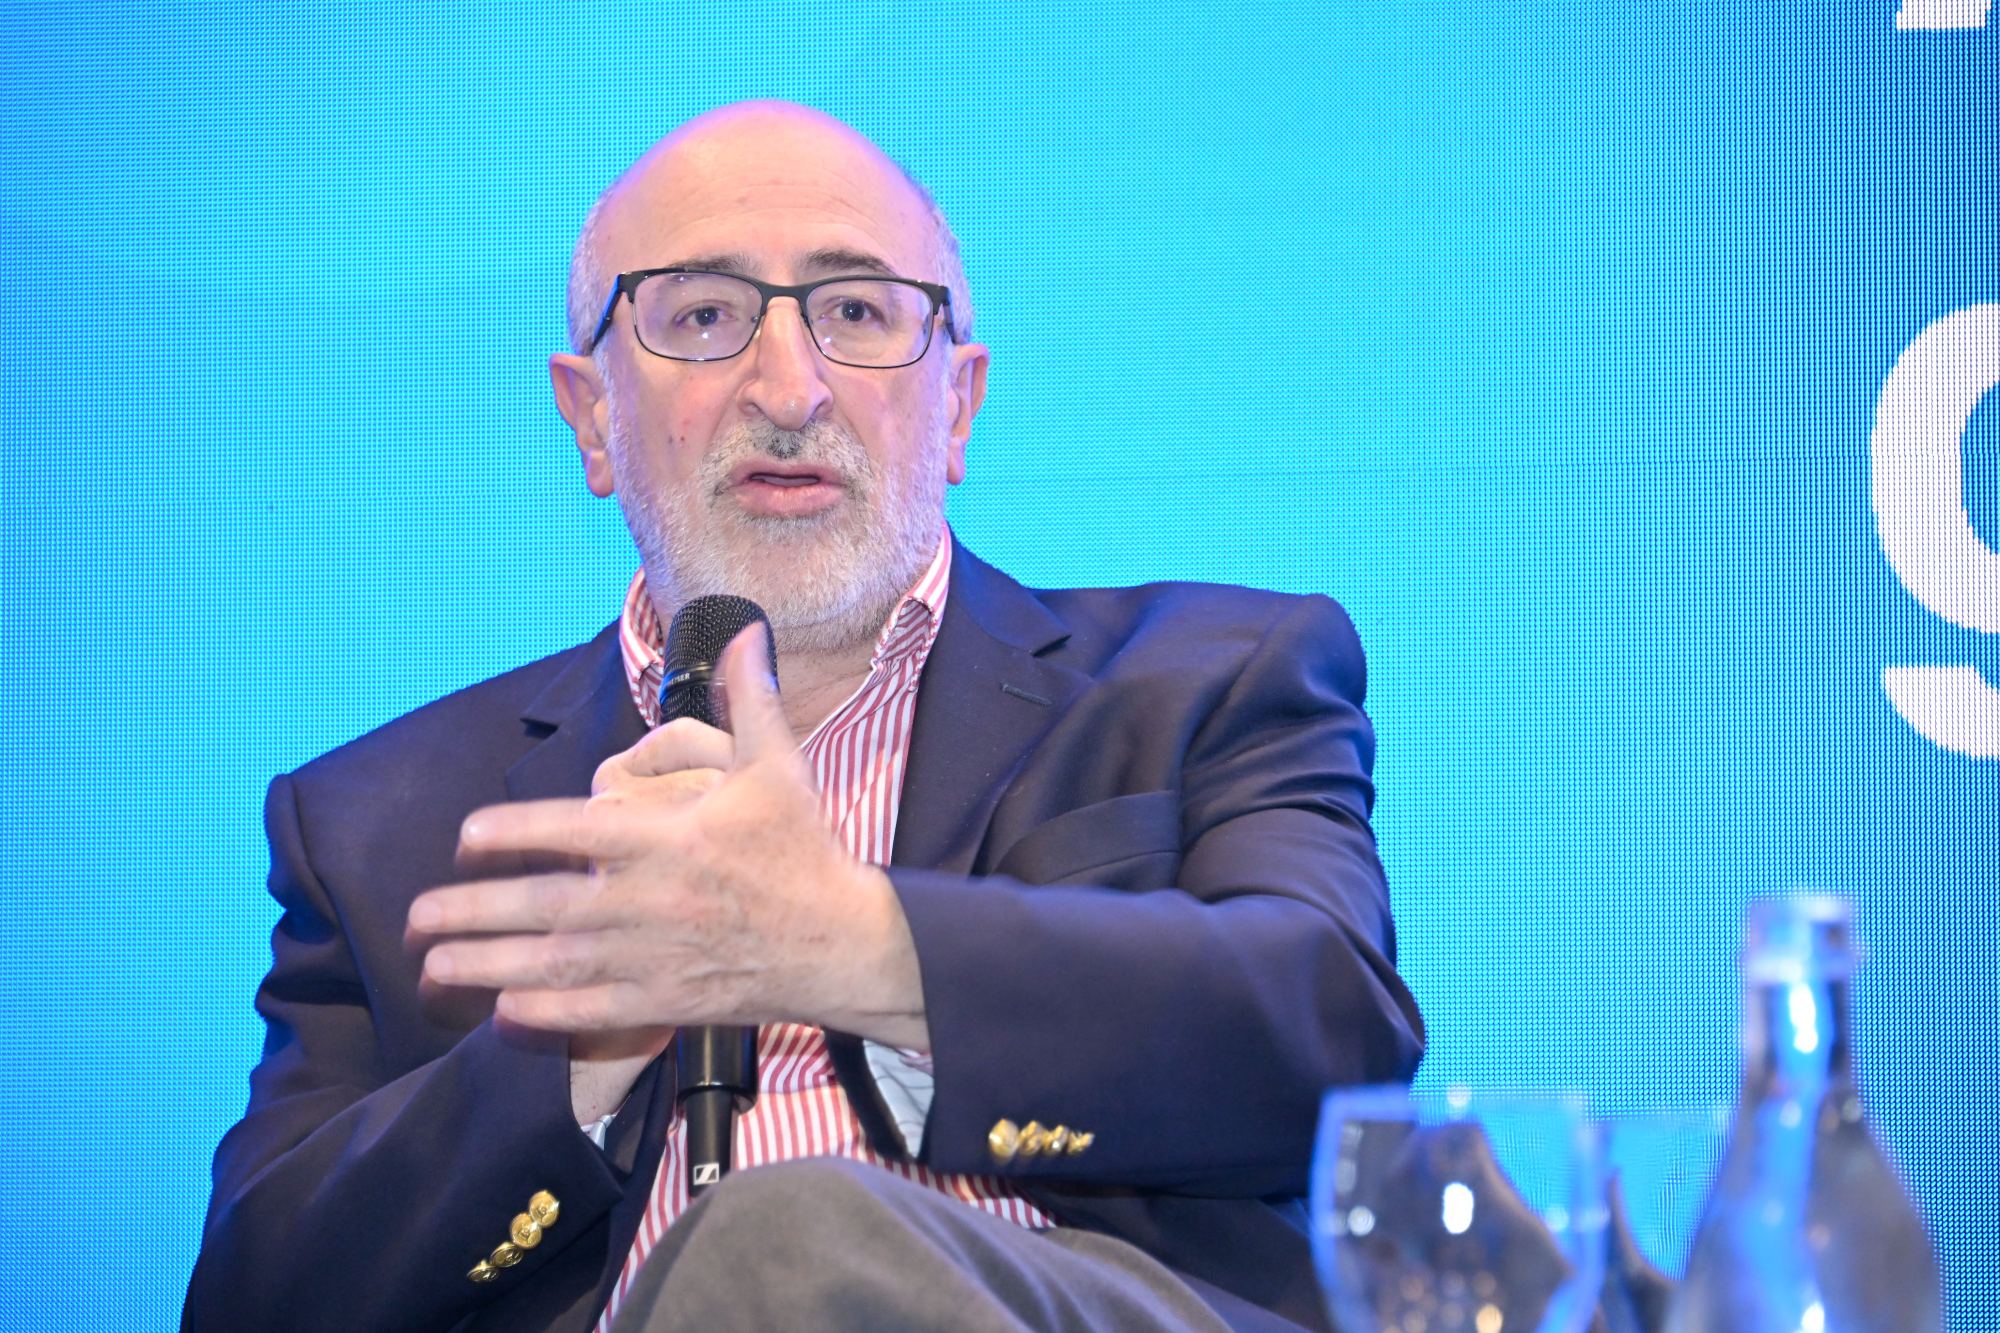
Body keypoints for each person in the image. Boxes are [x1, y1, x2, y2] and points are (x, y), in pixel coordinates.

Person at [184, 100, 1424, 1332]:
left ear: (957, 405)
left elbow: (1334, 1048)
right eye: (703, 316)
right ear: (593, 416)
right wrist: (573, 1057)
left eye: (856, 313)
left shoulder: (1206, 680)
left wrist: (848, 942)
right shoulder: (381, 822)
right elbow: (255, 1298)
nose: (790, 388)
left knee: (784, 1235)